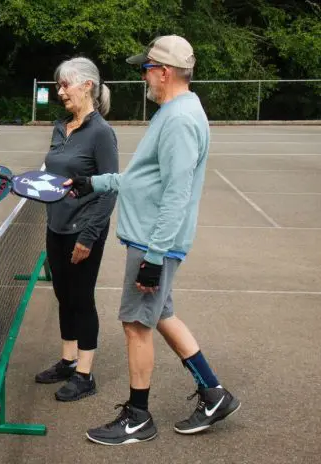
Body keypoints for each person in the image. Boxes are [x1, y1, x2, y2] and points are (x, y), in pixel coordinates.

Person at [66, 35, 241, 445]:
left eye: (146, 69)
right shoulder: (175, 111)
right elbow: (145, 176)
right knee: (160, 315)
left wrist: (154, 257)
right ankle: (214, 394)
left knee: (135, 324)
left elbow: (176, 193)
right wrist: (93, 182)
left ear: (163, 72)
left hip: (153, 240)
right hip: (152, 238)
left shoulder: (179, 120)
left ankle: (138, 417)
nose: (143, 76)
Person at [34, 57, 118, 402]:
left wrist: (88, 236)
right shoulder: (60, 127)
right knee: (62, 296)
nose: (60, 91)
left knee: (82, 299)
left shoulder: (101, 133)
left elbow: (108, 189)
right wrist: (24, 184)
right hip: (56, 226)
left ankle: (85, 374)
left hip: (84, 230)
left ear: (87, 86)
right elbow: (51, 175)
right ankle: (68, 361)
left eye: (65, 84)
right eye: (58, 85)